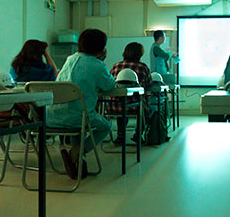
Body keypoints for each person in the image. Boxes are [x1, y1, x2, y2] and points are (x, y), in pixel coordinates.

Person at [47, 29, 116, 179]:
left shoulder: (69, 59)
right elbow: (110, 86)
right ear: (101, 48)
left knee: (78, 125)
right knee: (105, 127)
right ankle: (78, 152)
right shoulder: (97, 65)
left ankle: (78, 163)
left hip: (52, 116)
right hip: (79, 116)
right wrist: (101, 61)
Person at [109, 42, 152, 144]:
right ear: (140, 55)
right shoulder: (142, 67)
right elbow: (149, 85)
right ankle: (138, 134)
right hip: (136, 106)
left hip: (114, 106)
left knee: (121, 101)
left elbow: (109, 83)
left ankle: (120, 136)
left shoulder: (116, 66)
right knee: (145, 108)